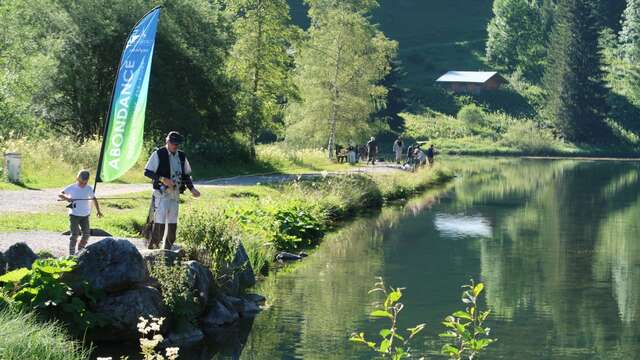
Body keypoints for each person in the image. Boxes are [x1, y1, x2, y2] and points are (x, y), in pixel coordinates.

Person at [144, 131, 201, 250]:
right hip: (161, 195)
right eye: (173, 143)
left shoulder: (182, 156)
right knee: (159, 224)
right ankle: (152, 251)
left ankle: (167, 251)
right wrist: (162, 179)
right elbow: (147, 172)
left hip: (175, 196)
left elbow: (185, 175)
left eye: (177, 144)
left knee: (172, 225)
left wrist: (192, 189)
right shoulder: (158, 154)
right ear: (167, 142)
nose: (175, 146)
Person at [59, 170, 103, 255]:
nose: (83, 184)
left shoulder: (89, 188)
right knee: (74, 234)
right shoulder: (72, 187)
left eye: (85, 182)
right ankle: (71, 254)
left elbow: (94, 199)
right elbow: (60, 194)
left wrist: (98, 211)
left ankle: (80, 250)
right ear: (78, 179)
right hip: (74, 214)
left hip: (85, 215)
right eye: (81, 182)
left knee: (86, 234)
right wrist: (66, 198)